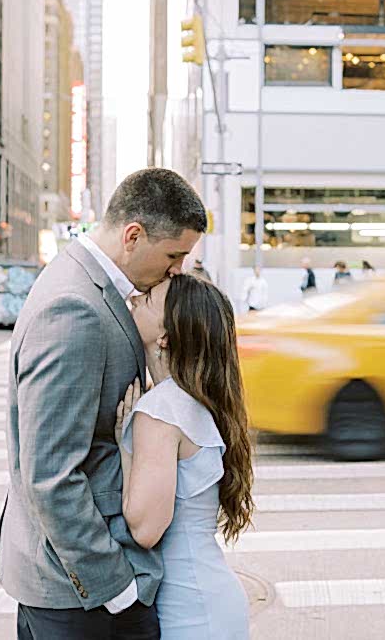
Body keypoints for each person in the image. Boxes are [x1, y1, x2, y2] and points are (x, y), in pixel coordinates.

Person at [0, 167, 206, 640]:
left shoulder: (85, 284)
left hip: (74, 586)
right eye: (173, 255)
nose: (176, 271)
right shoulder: (77, 307)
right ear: (133, 235)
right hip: (82, 592)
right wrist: (117, 588)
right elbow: (49, 473)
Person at [116, 273, 254, 638]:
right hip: (208, 598)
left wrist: (122, 447)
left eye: (148, 298)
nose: (134, 298)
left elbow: (145, 529)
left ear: (165, 335)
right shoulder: (189, 400)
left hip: (190, 611)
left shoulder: (161, 410)